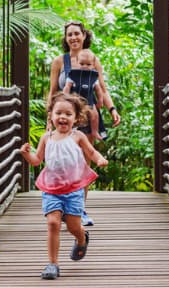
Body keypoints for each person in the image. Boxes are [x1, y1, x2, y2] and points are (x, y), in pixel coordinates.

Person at [20, 92, 109, 280]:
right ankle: (53, 264)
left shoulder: (77, 137)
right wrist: (27, 155)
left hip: (74, 189)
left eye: (68, 114)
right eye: (58, 113)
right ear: (51, 115)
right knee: (52, 223)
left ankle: (81, 238)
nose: (63, 117)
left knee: (73, 227)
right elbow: (37, 161)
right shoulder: (46, 138)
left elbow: (91, 152)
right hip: (52, 189)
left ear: (76, 119)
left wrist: (100, 159)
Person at [48, 20, 122, 226]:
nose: (73, 38)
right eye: (69, 34)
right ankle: (63, 206)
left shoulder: (92, 59)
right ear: (66, 38)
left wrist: (112, 109)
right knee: (63, 163)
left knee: (83, 162)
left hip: (88, 117)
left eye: (76, 34)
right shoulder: (59, 62)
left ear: (84, 36)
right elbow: (53, 92)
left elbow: (102, 89)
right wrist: (49, 118)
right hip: (65, 120)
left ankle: (79, 210)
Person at [62, 49, 106, 142]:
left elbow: (98, 89)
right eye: (82, 64)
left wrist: (100, 100)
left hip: (89, 101)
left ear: (93, 64)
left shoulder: (93, 76)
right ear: (77, 62)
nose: (85, 66)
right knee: (74, 116)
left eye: (88, 64)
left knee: (95, 115)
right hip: (76, 102)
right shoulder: (73, 75)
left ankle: (95, 131)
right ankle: (71, 130)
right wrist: (65, 98)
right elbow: (67, 87)